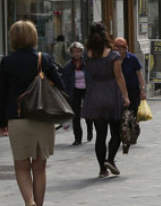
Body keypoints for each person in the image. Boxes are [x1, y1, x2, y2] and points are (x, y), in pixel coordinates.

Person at [0, 20, 67, 206]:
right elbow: (61, 87)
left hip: (17, 119)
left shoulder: (7, 62)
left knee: (21, 166)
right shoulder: (43, 59)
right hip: (42, 118)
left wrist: (2, 122)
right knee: (40, 168)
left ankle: (29, 202)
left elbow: (2, 94)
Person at [82, 22, 130, 178]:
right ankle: (110, 159)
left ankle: (102, 169)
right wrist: (125, 96)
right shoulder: (113, 55)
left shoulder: (87, 54)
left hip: (94, 94)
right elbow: (118, 76)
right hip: (111, 94)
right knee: (115, 132)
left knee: (100, 135)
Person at [113, 38, 146, 154]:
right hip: (118, 90)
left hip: (132, 90)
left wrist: (143, 89)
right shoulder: (113, 59)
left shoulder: (132, 58)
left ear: (125, 48)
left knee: (132, 113)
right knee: (121, 114)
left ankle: (132, 133)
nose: (118, 51)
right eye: (116, 49)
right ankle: (123, 135)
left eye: (120, 49)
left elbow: (139, 74)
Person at [60, 42, 93, 145]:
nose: (76, 54)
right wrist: (65, 95)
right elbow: (65, 82)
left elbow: (92, 77)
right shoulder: (68, 67)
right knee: (76, 115)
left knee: (88, 112)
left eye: (78, 51)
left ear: (82, 52)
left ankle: (89, 129)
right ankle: (78, 138)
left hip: (86, 90)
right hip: (74, 91)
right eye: (74, 52)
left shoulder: (87, 64)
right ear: (71, 53)